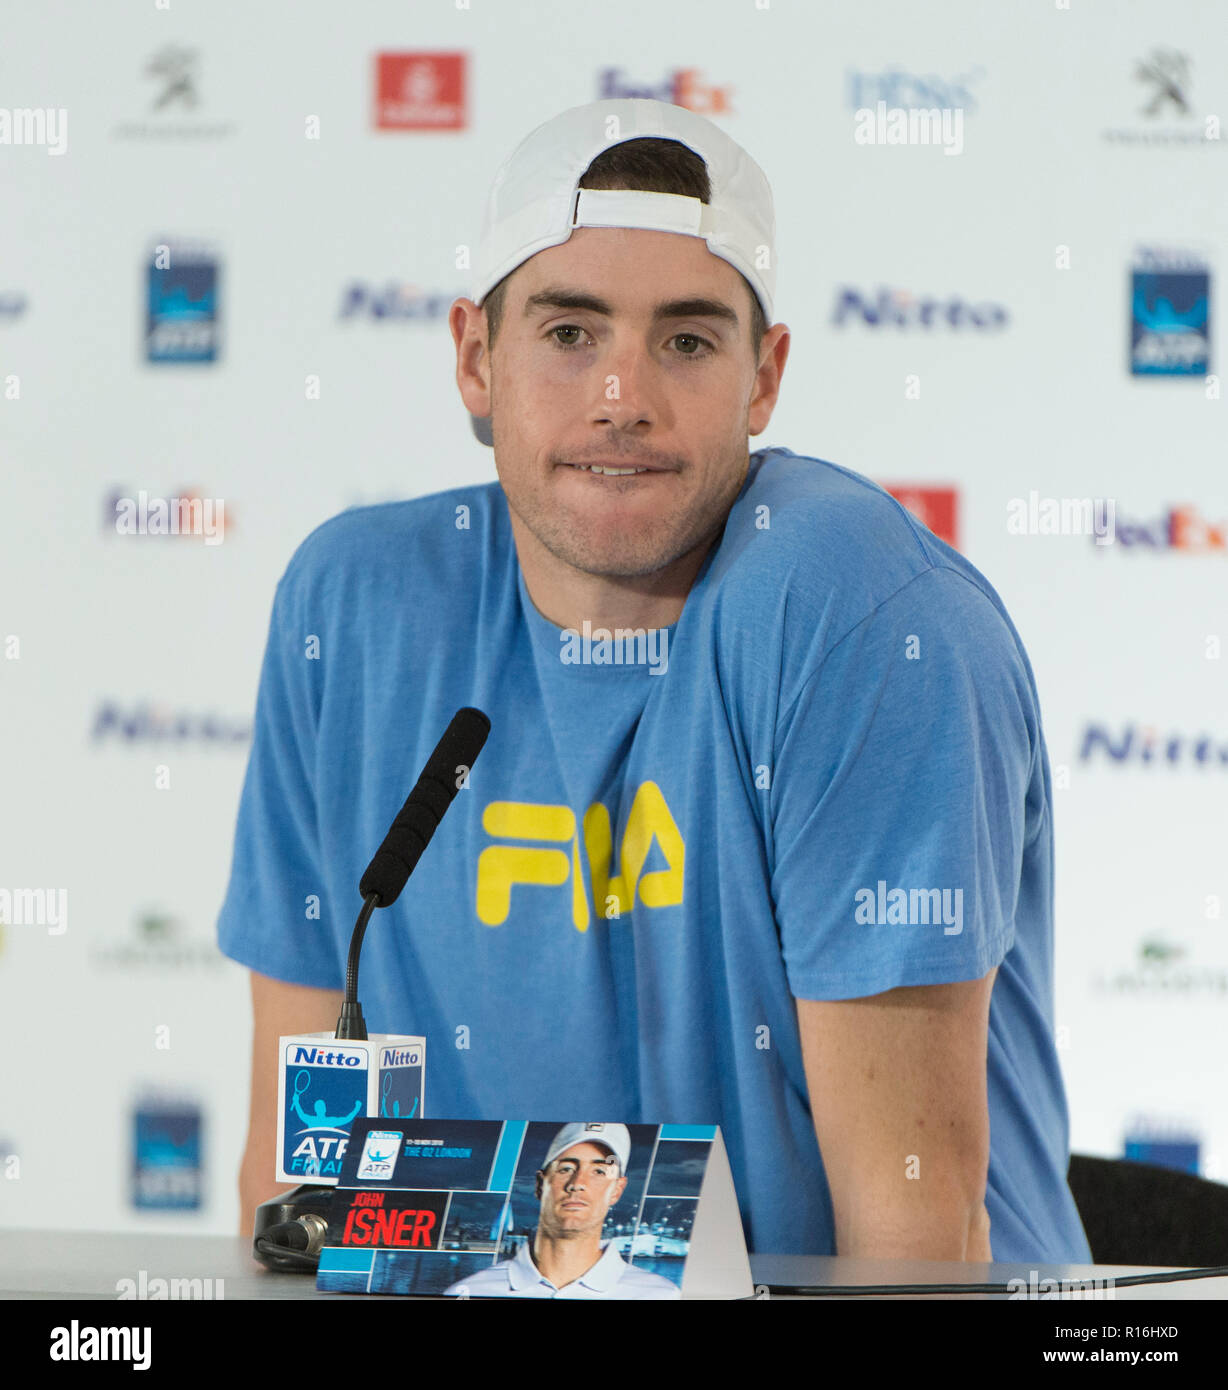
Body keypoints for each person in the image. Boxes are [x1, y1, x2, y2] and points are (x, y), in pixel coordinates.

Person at [219, 97, 1091, 1265]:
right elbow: (295, 1186)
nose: (622, 395)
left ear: (764, 376)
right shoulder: (354, 606)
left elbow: (913, 1237)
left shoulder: (858, 616)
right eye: (570, 333)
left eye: (685, 341)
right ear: (476, 357)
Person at [443, 1123, 680, 1298]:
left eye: (599, 1172)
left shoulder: (661, 1295)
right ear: (539, 1184)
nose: (578, 1183)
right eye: (566, 1168)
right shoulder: (469, 1291)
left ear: (617, 1191)